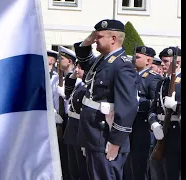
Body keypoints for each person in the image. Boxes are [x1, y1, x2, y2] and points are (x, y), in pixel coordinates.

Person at [73, 19, 138, 180]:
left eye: (100, 36)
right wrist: (88, 41)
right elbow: (85, 61)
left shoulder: (122, 65)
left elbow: (127, 106)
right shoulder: (104, 60)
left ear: (113, 39)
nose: (95, 39)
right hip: (93, 134)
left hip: (105, 135)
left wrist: (116, 141)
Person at [123, 46, 163, 180]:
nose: (134, 59)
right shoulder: (131, 75)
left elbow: (155, 103)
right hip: (129, 123)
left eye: (138, 57)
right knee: (128, 163)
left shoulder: (153, 78)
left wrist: (138, 101)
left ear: (148, 61)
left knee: (140, 163)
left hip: (142, 124)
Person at [148, 47, 181, 180]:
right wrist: (154, 123)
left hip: (176, 134)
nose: (162, 64)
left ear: (177, 63)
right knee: (159, 171)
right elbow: (153, 109)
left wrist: (176, 106)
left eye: (166, 61)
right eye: (162, 61)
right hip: (160, 132)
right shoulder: (162, 82)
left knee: (173, 173)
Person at [63, 60, 89, 180]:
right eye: (76, 67)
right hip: (72, 129)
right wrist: (74, 74)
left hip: (80, 129)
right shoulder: (80, 85)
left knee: (81, 169)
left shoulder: (89, 88)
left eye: (80, 68)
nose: (77, 70)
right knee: (72, 167)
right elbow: (68, 88)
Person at [56, 46, 77, 180]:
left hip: (71, 119)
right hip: (58, 119)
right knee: (60, 153)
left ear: (69, 61)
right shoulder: (55, 79)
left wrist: (64, 94)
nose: (58, 61)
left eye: (61, 59)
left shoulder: (77, 79)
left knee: (71, 156)